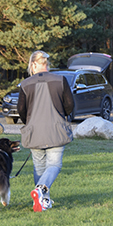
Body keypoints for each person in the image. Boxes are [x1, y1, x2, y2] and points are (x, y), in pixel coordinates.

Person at [17, 51, 74, 212]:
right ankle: (41, 191)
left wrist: (29, 121)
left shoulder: (25, 84)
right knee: (54, 164)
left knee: (39, 167)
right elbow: (70, 105)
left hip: (34, 131)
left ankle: (43, 201)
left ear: (33, 65)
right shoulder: (60, 80)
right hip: (56, 129)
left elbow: (21, 109)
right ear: (46, 64)